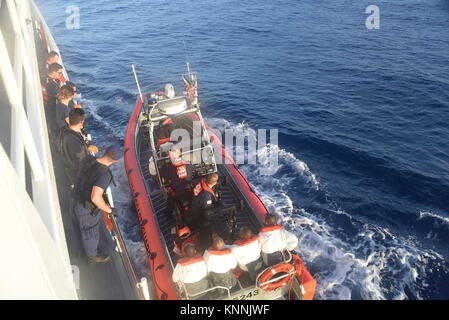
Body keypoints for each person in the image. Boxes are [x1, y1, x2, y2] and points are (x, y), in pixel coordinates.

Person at [72, 145, 122, 264]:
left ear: (104, 151)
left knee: (76, 227)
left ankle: (80, 249)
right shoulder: (104, 175)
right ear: (115, 161)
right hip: (85, 209)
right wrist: (109, 210)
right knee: (90, 233)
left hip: (74, 198)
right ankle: (92, 256)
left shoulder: (88, 159)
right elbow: (95, 197)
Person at [59, 108, 98, 186]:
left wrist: (87, 146)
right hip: (76, 178)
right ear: (81, 122)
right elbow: (81, 163)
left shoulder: (65, 131)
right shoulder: (73, 141)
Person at [187, 173, 220, 251]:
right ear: (215, 183)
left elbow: (192, 183)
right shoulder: (207, 196)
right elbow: (207, 213)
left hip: (194, 203)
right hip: (197, 214)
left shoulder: (200, 180)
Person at [162, 148, 194, 219]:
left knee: (170, 199)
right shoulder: (188, 163)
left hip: (177, 193)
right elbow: (193, 170)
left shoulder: (169, 169)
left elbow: (165, 181)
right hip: (189, 190)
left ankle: (168, 215)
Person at [42, 63, 63, 137]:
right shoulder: (52, 84)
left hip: (44, 104)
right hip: (50, 107)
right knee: (53, 126)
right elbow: (60, 97)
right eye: (59, 73)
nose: (60, 75)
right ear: (53, 72)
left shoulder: (43, 78)